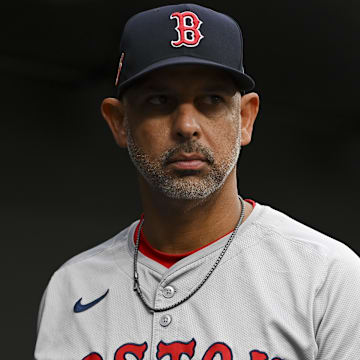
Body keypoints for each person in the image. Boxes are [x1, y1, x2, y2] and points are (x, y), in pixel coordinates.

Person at [34, 4, 360, 360]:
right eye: (160, 100)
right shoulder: (70, 288)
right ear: (119, 121)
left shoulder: (327, 277)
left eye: (212, 99)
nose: (186, 125)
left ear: (246, 118)